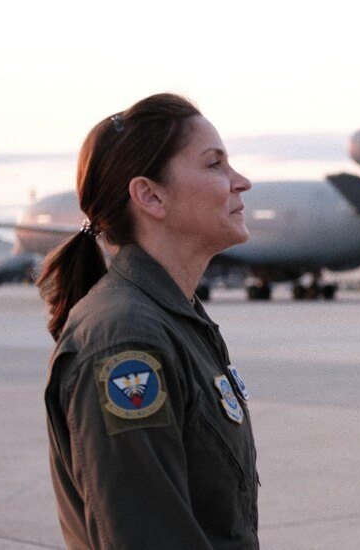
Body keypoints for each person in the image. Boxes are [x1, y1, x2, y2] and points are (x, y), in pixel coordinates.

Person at [38, 93, 259, 549]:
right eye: (214, 163)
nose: (241, 182)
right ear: (150, 195)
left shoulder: (174, 321)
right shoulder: (125, 340)